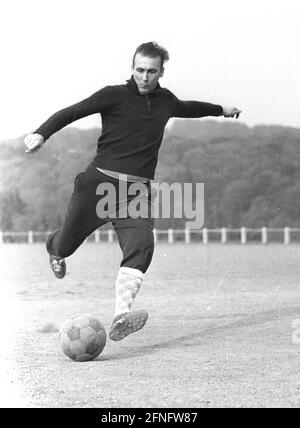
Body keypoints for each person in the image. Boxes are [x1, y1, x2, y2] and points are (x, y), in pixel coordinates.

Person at [24, 41, 241, 342]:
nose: (144, 77)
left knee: (142, 245)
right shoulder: (112, 95)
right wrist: (41, 133)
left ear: (161, 71)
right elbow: (73, 112)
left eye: (152, 71)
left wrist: (221, 110)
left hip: (136, 192)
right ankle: (55, 250)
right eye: (139, 70)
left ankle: (120, 317)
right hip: (98, 185)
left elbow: (189, 108)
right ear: (132, 67)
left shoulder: (166, 100)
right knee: (66, 245)